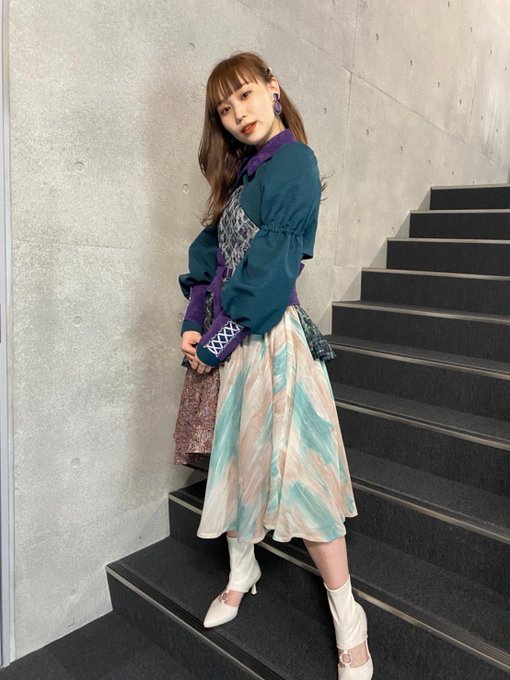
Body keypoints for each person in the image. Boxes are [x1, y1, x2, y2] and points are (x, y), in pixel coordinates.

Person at [177, 51, 373, 679]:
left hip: (273, 341)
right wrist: (193, 323)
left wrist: (213, 344)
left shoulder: (294, 163)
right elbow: (208, 262)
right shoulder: (240, 180)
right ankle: (243, 571)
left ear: (273, 89)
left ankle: (348, 617)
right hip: (233, 344)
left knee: (306, 477)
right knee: (239, 464)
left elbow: (268, 279)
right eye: (224, 108)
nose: (237, 113)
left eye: (245, 95)